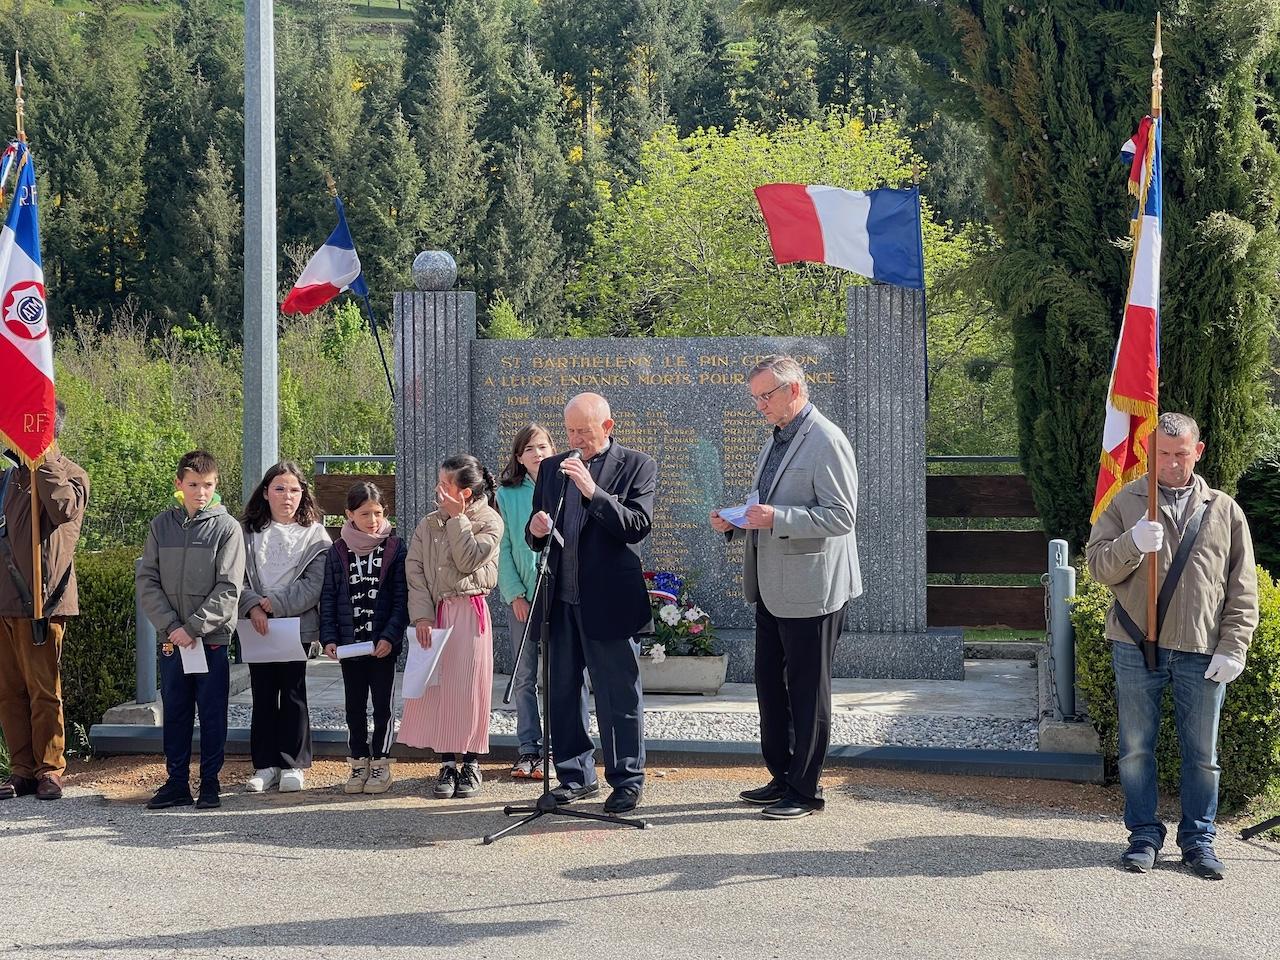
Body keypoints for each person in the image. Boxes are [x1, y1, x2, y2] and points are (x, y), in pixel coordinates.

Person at [1086, 412, 1258, 881]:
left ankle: (1198, 841)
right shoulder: (1127, 502)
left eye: (1182, 454)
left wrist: (1234, 646)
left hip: (1202, 650)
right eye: (1163, 454)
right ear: (1149, 453)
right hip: (1136, 645)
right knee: (1136, 749)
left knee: (1203, 754)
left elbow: (1242, 588)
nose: (1173, 463)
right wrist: (1131, 543)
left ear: (1197, 452)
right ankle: (1143, 836)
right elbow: (1098, 566)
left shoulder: (1224, 510)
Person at [711, 355, 861, 821]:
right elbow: (767, 503)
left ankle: (806, 788)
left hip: (813, 587)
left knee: (806, 689)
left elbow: (841, 516)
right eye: (755, 397)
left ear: (793, 389)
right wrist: (737, 520)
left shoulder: (827, 440)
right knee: (770, 685)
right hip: (770, 586)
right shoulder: (776, 439)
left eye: (765, 396)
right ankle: (782, 774)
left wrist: (777, 518)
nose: (758, 406)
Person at [526, 392, 656, 814]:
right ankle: (575, 775)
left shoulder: (638, 465)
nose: (576, 438)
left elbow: (636, 526)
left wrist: (592, 490)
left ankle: (627, 779)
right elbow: (536, 536)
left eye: (584, 430)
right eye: (569, 430)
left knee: (618, 694)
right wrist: (537, 528)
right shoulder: (550, 469)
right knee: (562, 691)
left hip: (610, 601)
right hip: (560, 601)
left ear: (608, 426)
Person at [137, 450, 246, 810]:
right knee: (177, 711)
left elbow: (229, 587)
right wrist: (172, 627)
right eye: (194, 484)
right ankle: (177, 782)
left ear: (217, 485)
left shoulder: (227, 528)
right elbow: (147, 581)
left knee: (212, 712)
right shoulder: (160, 526)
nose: (201, 492)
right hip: (173, 641)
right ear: (179, 485)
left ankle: (210, 784)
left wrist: (194, 628)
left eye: (208, 485)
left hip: (209, 640)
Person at [0, 401, 89, 802]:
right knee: (9, 693)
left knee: (44, 692)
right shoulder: (6, 479)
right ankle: (21, 769)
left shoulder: (70, 475)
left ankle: (49, 769)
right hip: (3, 602)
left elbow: (63, 508)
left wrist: (45, 457)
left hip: (41, 603)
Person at [400, 455, 504, 799]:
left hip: (470, 612)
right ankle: (446, 762)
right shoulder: (428, 524)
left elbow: (469, 559)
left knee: (470, 688)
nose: (438, 490)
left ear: (466, 491)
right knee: (440, 688)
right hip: (438, 611)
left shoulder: (489, 520)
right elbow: (414, 571)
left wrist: (458, 519)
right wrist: (422, 617)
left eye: (446, 485)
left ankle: (471, 762)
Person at [239, 462, 331, 794]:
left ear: (303, 493)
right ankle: (265, 765)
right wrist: (251, 604)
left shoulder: (315, 534)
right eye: (279, 488)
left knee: (293, 694)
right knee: (262, 695)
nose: (286, 496)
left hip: (296, 626)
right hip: (256, 627)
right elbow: (233, 576)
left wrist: (274, 604)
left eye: (294, 489)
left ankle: (293, 764)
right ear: (265, 493)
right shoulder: (245, 532)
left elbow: (313, 584)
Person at [320, 481, 408, 796]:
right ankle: (358, 760)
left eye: (378, 512)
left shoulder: (395, 548)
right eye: (364, 513)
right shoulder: (338, 550)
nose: (372, 520)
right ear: (349, 514)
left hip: (381, 645)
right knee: (354, 706)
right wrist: (328, 637)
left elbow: (402, 599)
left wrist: (390, 636)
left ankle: (381, 763)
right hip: (349, 643)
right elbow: (328, 596)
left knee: (383, 705)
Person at [495, 424, 555, 780]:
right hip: (523, 598)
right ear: (519, 456)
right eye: (530, 449)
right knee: (526, 676)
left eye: (543, 446)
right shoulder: (506, 495)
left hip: (559, 597)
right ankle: (528, 749)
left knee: (561, 676)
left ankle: (558, 749)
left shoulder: (565, 486)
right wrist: (515, 592)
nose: (537, 454)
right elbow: (502, 548)